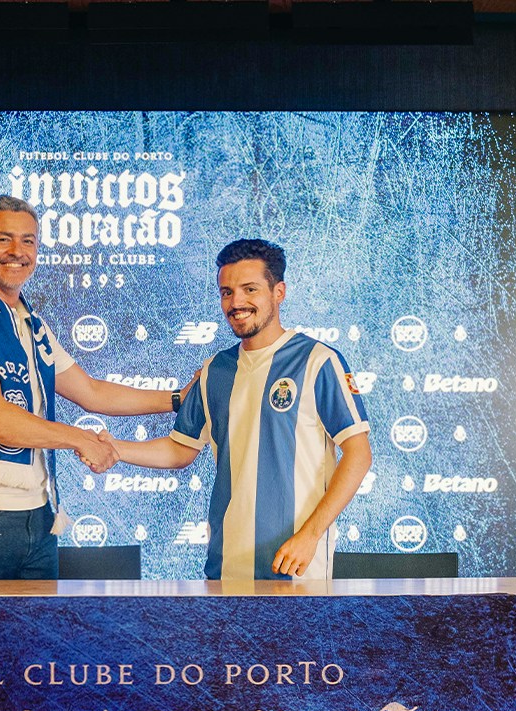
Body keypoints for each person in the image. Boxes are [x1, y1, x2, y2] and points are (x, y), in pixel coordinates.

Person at [0, 195, 185, 580]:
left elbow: (92, 392)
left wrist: (178, 399)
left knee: (37, 641)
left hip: (38, 516)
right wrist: (80, 438)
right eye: (4, 240)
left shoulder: (31, 325)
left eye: (28, 241)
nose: (18, 252)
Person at [107, 239, 373, 580]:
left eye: (250, 289)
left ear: (279, 292)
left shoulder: (319, 361)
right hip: (226, 566)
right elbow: (179, 449)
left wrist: (310, 536)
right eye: (227, 292)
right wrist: (115, 450)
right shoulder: (215, 370)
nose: (237, 302)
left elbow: (359, 454)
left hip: (297, 567)